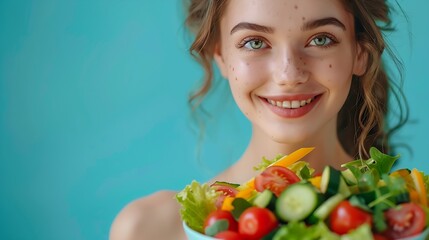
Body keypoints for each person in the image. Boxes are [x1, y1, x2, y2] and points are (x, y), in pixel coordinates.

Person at [109, 0, 407, 239]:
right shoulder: (147, 230)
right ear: (221, 56)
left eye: (321, 39)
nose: (289, 76)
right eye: (254, 42)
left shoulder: (410, 221)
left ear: (360, 54)